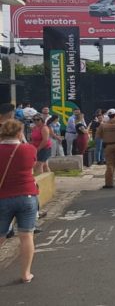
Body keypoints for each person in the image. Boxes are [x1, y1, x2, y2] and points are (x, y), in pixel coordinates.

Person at [0, 120, 39, 284]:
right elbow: (33, 167)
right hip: (27, 196)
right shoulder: (29, 149)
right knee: (26, 236)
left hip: (3, 197)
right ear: (19, 133)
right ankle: (25, 273)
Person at [96, 109, 115, 188]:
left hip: (108, 146)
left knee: (110, 165)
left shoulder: (103, 125)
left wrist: (106, 137)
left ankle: (109, 184)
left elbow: (98, 136)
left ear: (108, 116)